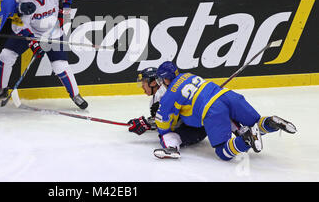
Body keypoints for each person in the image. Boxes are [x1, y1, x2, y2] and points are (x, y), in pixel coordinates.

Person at [0, 0, 88, 110]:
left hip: (53, 31)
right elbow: (18, 25)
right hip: (31, 32)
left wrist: (64, 11)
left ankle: (75, 95)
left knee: (60, 66)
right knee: (5, 55)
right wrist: (33, 43)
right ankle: (2, 89)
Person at [153, 61, 297, 161]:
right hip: (227, 95)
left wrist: (165, 135)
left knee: (223, 152)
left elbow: (163, 122)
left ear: (165, 79)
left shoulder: (169, 95)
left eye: (161, 80)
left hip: (213, 110)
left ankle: (245, 140)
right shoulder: (189, 75)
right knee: (255, 123)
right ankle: (271, 122)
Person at [127, 67, 207, 159]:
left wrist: (148, 123)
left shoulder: (164, 95)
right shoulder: (163, 93)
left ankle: (172, 148)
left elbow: (170, 121)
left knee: (165, 136)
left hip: (196, 129)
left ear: (152, 83)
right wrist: (148, 122)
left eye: (143, 83)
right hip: (203, 123)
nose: (142, 86)